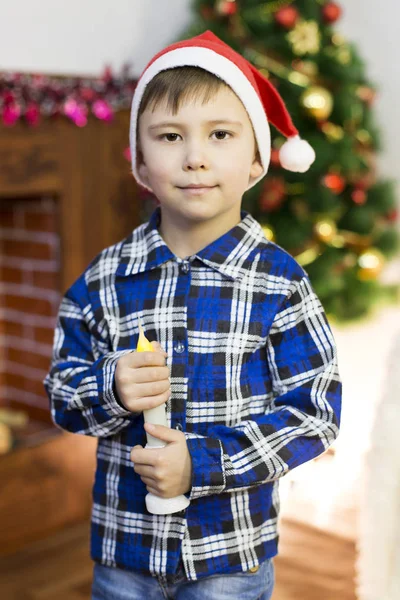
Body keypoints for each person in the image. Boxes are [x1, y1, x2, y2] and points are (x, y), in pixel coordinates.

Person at [43, 30, 342, 600]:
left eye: (221, 134)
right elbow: (62, 392)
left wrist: (205, 464)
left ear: (256, 159)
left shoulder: (279, 283)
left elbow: (315, 411)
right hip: (124, 552)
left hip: (230, 554)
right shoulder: (106, 278)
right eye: (170, 136)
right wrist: (111, 388)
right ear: (141, 161)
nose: (195, 156)